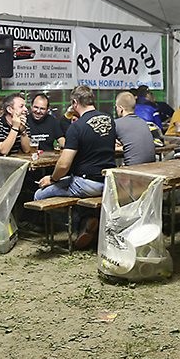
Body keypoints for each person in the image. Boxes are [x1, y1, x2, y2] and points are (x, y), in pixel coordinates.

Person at [35, 86, 117, 249]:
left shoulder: (77, 127)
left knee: (39, 195)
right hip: (108, 181)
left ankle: (78, 223)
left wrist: (52, 179)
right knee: (72, 186)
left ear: (74, 103)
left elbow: (64, 164)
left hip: (86, 183)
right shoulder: (109, 119)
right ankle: (88, 220)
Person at [114, 92, 156, 166]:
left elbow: (107, 146)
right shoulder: (143, 122)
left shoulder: (117, 123)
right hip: (150, 166)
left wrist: (117, 148)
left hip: (132, 168)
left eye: (116, 107)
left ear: (121, 108)